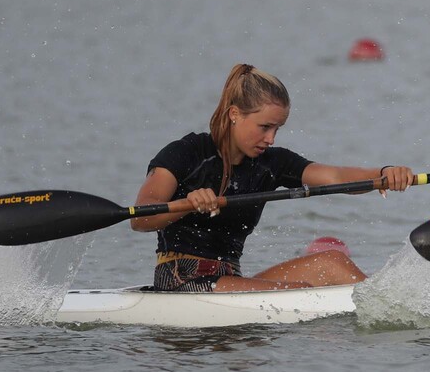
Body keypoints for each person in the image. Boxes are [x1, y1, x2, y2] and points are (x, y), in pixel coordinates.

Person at [131, 64, 413, 292]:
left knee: (333, 262)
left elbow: (335, 176)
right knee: (298, 290)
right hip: (180, 279)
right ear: (235, 114)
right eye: (264, 127)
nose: (271, 138)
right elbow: (140, 217)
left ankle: (386, 308)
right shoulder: (187, 153)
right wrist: (188, 203)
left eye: (277, 128)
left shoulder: (272, 163)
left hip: (230, 277)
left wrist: (383, 174)